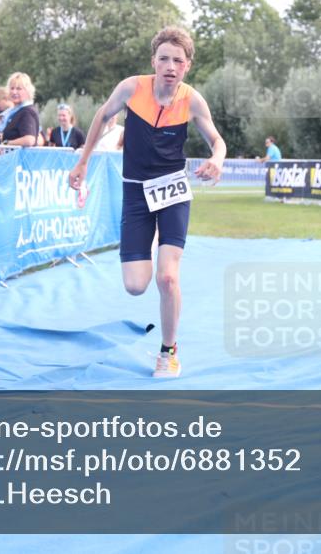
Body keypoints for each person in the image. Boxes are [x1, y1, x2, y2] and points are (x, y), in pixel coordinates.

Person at [68, 26, 225, 379]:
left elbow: (217, 140)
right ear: (153, 61)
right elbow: (102, 116)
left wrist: (218, 158)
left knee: (167, 278)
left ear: (187, 66)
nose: (171, 65)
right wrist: (83, 161)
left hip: (172, 191)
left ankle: (168, 352)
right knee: (136, 285)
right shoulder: (130, 88)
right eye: (164, 58)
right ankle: (151, 238)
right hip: (136, 191)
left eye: (178, 60)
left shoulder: (192, 99)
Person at [0, 72, 40, 146]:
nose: (14, 92)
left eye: (18, 89)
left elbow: (29, 140)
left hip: (21, 157)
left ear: (28, 91)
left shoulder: (27, 111)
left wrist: (7, 143)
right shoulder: (17, 111)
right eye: (12, 88)